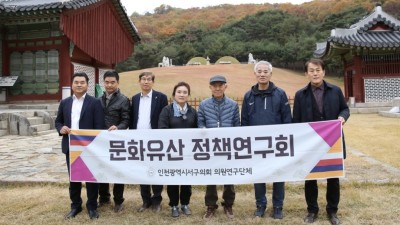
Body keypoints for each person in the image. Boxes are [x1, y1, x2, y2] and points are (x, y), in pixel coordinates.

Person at [293, 58, 349, 225]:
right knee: (310, 178)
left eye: (318, 70)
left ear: (324, 72)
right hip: (310, 145)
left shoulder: (335, 90)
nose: (315, 73)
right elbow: (296, 120)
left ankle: (332, 211)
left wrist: (342, 117)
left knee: (333, 178)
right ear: (306, 74)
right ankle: (312, 210)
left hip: (332, 142)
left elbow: (345, 108)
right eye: (311, 70)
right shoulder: (300, 95)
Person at [241, 61, 292, 219]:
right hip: (256, 144)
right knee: (259, 175)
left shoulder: (280, 94)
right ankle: (260, 205)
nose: (262, 74)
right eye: (259, 71)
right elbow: (245, 122)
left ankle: (278, 206)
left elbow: (287, 119)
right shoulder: (248, 96)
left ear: (270, 74)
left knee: (278, 174)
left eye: (265, 72)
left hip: (277, 143)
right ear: (255, 74)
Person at [55, 72, 105, 220]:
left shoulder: (95, 102)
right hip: (71, 146)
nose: (79, 85)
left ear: (87, 85)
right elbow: (58, 121)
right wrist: (61, 128)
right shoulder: (65, 103)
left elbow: (99, 125)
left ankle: (92, 207)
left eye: (82, 82)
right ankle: (75, 205)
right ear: (72, 84)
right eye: (76, 82)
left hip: (89, 147)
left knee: (91, 179)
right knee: (74, 179)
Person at [197, 75, 240, 220]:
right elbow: (200, 122)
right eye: (214, 85)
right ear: (210, 87)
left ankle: (228, 204)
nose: (217, 88)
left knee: (229, 175)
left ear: (225, 87)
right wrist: (203, 129)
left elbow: (237, 125)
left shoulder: (233, 105)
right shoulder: (203, 104)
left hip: (228, 146)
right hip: (210, 146)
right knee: (211, 176)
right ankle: (210, 205)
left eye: (220, 85)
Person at [130, 71, 168, 213]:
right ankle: (146, 200)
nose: (146, 82)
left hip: (155, 141)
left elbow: (164, 118)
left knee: (156, 170)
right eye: (143, 79)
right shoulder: (134, 99)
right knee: (142, 171)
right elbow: (133, 118)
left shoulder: (161, 97)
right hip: (138, 140)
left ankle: (157, 200)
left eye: (149, 79)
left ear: (153, 82)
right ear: (139, 81)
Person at [158, 81, 198, 217]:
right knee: (173, 180)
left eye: (185, 92)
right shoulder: (166, 111)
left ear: (188, 95)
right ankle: (174, 205)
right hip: (172, 152)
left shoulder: (193, 111)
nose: (182, 94)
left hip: (188, 153)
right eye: (179, 92)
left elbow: (197, 131)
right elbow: (162, 129)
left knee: (187, 180)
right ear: (174, 94)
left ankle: (185, 204)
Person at [98, 70, 130, 212]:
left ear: (118, 83)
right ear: (103, 83)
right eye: (107, 82)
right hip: (101, 141)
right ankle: (104, 198)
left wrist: (118, 127)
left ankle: (118, 201)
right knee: (101, 169)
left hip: (117, 141)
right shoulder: (98, 99)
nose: (109, 85)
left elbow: (126, 119)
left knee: (118, 171)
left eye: (112, 82)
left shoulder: (123, 100)